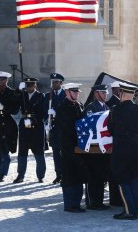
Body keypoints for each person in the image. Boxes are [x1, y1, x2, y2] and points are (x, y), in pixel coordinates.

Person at [108, 83, 138, 220]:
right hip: (136, 148)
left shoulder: (115, 110)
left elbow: (110, 130)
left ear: (121, 94)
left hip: (121, 149)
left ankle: (128, 210)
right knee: (134, 179)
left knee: (123, 180)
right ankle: (135, 209)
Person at [55, 83, 87, 213]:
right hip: (67, 146)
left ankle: (77, 203)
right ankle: (69, 204)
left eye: (77, 92)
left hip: (78, 146)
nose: (76, 94)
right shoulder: (62, 107)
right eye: (74, 92)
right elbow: (66, 128)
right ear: (67, 92)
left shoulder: (79, 105)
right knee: (68, 175)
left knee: (78, 174)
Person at [81, 84, 111, 210]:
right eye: (103, 93)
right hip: (93, 147)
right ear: (96, 94)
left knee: (101, 175)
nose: (105, 95)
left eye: (106, 93)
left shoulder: (106, 107)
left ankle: (98, 201)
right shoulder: (91, 108)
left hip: (103, 147)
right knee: (93, 176)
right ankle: (92, 202)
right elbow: (87, 126)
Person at [13, 78, 46, 183]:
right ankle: (20, 175)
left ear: (35, 86)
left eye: (31, 85)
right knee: (22, 152)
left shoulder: (41, 96)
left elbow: (44, 113)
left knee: (39, 153)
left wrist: (34, 120)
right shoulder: (22, 95)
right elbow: (14, 109)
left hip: (37, 127)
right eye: (27, 85)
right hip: (24, 126)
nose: (29, 88)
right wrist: (18, 91)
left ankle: (40, 175)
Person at [43, 72, 66, 184]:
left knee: (64, 153)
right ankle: (58, 174)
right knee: (56, 154)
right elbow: (43, 111)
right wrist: (47, 120)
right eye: (52, 82)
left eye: (56, 82)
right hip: (53, 129)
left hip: (63, 128)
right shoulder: (48, 96)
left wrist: (57, 114)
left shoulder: (66, 95)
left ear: (61, 83)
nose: (53, 84)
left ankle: (66, 174)